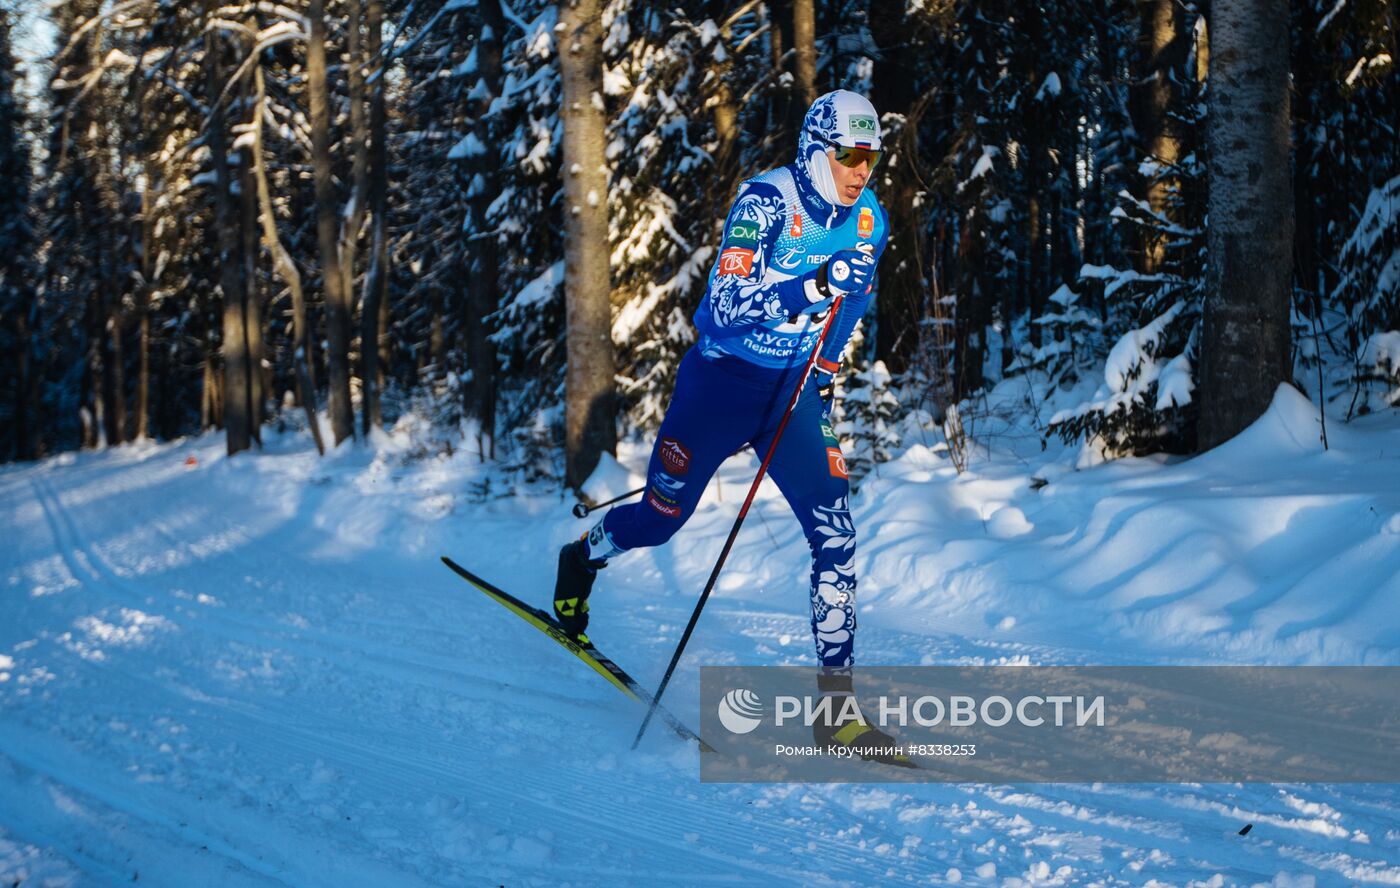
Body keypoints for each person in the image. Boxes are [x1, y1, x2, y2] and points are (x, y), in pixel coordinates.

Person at [554, 90, 902, 760]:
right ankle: (581, 557)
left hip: (790, 395)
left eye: (872, 157)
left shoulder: (869, 222)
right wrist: (815, 282)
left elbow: (855, 301)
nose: (862, 169)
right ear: (817, 150)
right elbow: (723, 306)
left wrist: (824, 375)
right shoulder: (766, 203)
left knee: (837, 536)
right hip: (719, 386)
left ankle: (837, 712)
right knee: (661, 518)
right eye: (850, 155)